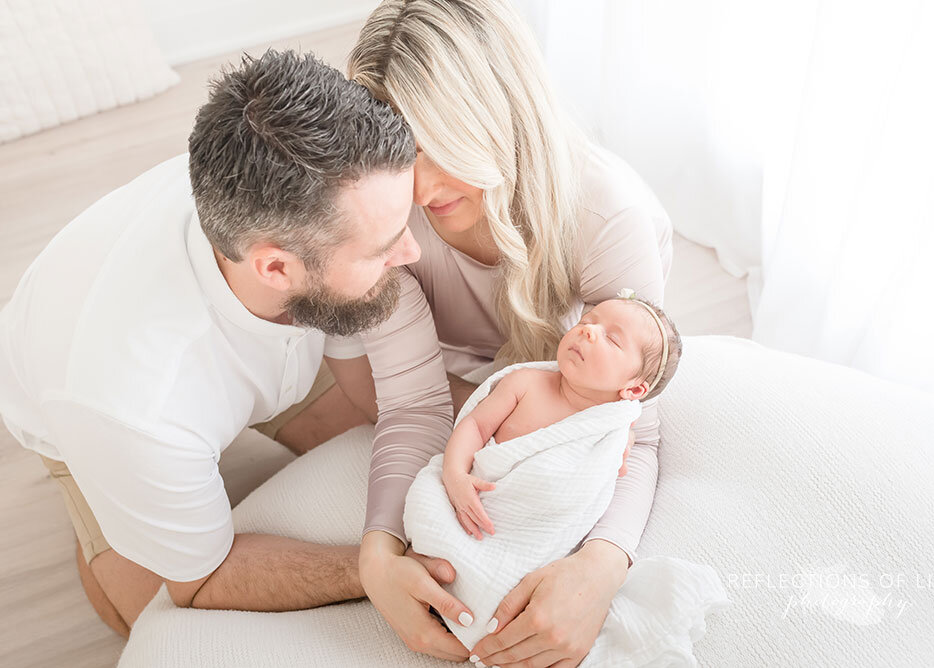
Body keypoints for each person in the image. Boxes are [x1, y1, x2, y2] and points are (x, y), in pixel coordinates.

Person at [262, 1, 674, 665]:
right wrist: (377, 554)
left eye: (437, 145)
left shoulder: (607, 214)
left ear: (494, 114)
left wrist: (601, 567)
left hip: (529, 372)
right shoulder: (392, 216)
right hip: (492, 374)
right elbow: (411, 405)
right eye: (399, 154)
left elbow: (640, 431)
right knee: (339, 403)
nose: (420, 187)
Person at [0, 50, 439, 637]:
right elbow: (201, 581)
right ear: (276, 269)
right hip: (91, 413)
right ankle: (103, 511)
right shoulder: (133, 406)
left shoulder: (285, 196)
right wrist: (373, 569)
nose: (411, 252)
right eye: (383, 245)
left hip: (264, 333)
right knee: (155, 623)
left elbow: (416, 406)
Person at [442, 294, 682, 542]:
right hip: (470, 497)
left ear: (633, 390)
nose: (588, 331)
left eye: (612, 339)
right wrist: (455, 474)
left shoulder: (611, 436)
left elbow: (584, 501)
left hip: (530, 535)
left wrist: (623, 440)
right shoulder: (525, 383)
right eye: (586, 321)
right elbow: (475, 425)